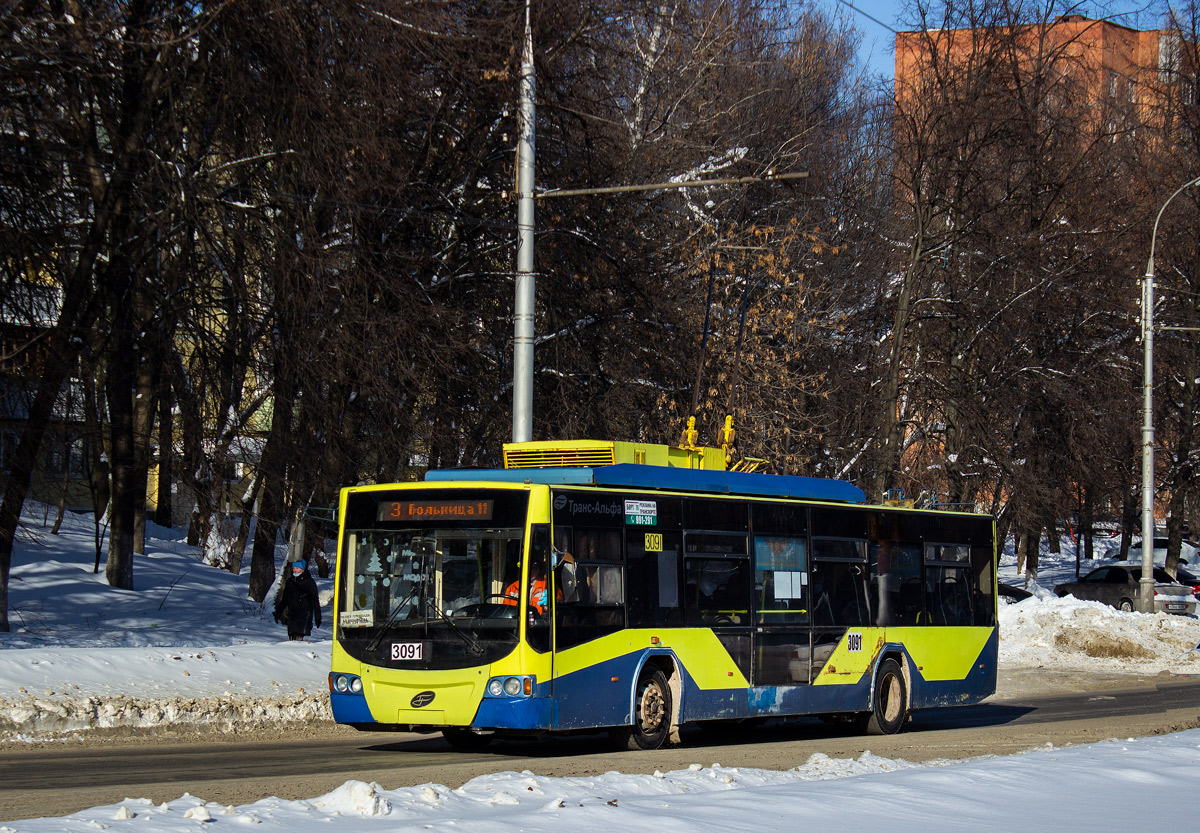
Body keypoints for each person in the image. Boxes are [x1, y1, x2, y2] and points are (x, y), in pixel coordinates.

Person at [273, 559, 321, 641]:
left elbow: (315, 600)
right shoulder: (290, 582)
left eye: (297, 568)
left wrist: (318, 616)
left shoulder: (309, 582)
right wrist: (278, 612)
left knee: (300, 637)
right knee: (291, 636)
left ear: (302, 569)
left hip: (304, 614)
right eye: (294, 568)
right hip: (292, 614)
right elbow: (285, 599)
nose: (295, 570)